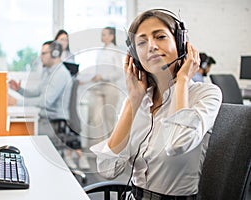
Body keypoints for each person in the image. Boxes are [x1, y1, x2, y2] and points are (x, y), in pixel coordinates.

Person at [90, 9, 222, 200]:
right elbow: (107, 169)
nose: (151, 46)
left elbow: (178, 145)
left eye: (160, 37)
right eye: (142, 42)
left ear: (180, 44)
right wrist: (133, 101)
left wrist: (183, 79)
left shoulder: (206, 94)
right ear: (135, 56)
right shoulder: (138, 102)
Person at [8, 40, 89, 169]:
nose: (40, 56)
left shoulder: (60, 74)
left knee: (24, 140)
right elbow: (37, 93)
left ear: (55, 54)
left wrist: (17, 102)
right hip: (46, 119)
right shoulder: (48, 71)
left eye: (44, 53)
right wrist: (19, 90)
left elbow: (46, 102)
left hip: (54, 123)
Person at [54, 29, 90, 170]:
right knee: (68, 123)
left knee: (73, 123)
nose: (64, 42)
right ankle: (77, 155)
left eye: (66, 40)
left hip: (72, 90)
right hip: (59, 94)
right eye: (61, 39)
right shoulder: (53, 56)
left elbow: (74, 74)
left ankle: (73, 155)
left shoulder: (70, 55)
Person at [87, 26, 123, 145]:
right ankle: (98, 147)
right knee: (95, 118)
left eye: (104, 34)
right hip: (98, 87)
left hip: (110, 87)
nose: (102, 36)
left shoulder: (115, 51)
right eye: (102, 34)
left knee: (109, 118)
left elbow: (119, 72)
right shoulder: (100, 50)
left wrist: (103, 77)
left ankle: (112, 147)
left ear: (111, 36)